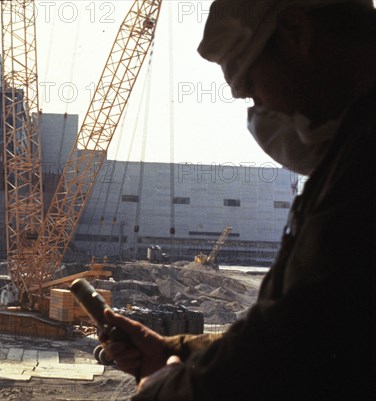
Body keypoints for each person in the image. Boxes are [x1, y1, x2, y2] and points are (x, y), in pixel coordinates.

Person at [101, 1, 375, 400]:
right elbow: (296, 329)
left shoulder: (363, 159)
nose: (257, 111)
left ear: (297, 32)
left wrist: (173, 391)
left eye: (251, 85)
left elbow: (305, 347)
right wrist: (176, 351)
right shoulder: (349, 148)